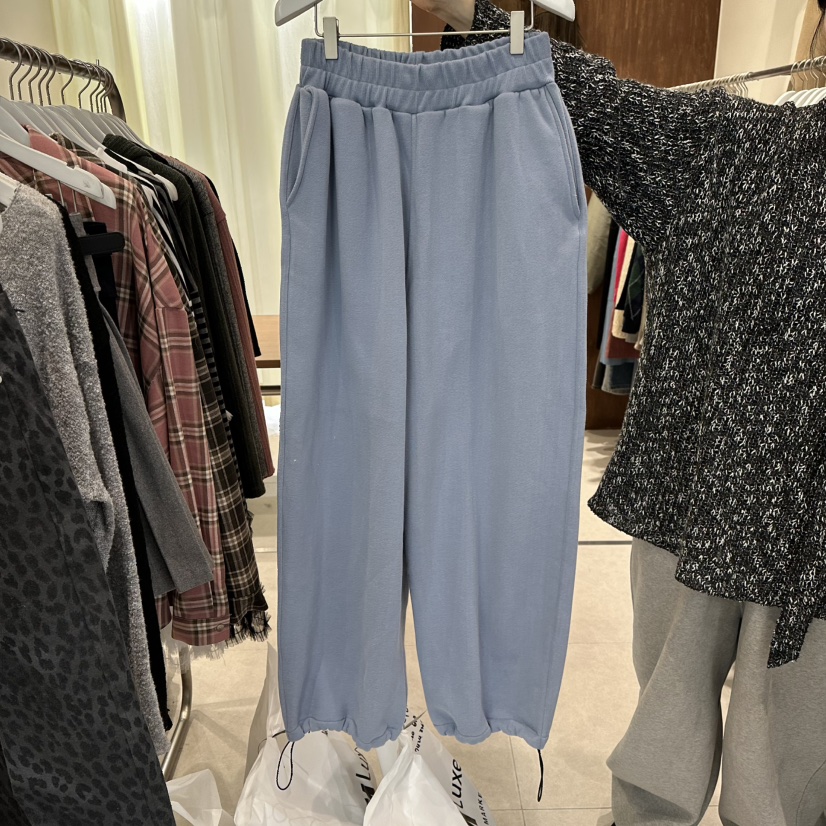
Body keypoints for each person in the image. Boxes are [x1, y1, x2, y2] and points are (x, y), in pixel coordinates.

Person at [412, 2, 826, 825]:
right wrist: (475, 12)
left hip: (740, 513)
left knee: (773, 762)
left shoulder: (727, 144)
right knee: (722, 754)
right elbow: (588, 97)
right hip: (697, 498)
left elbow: (591, 98)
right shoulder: (729, 143)